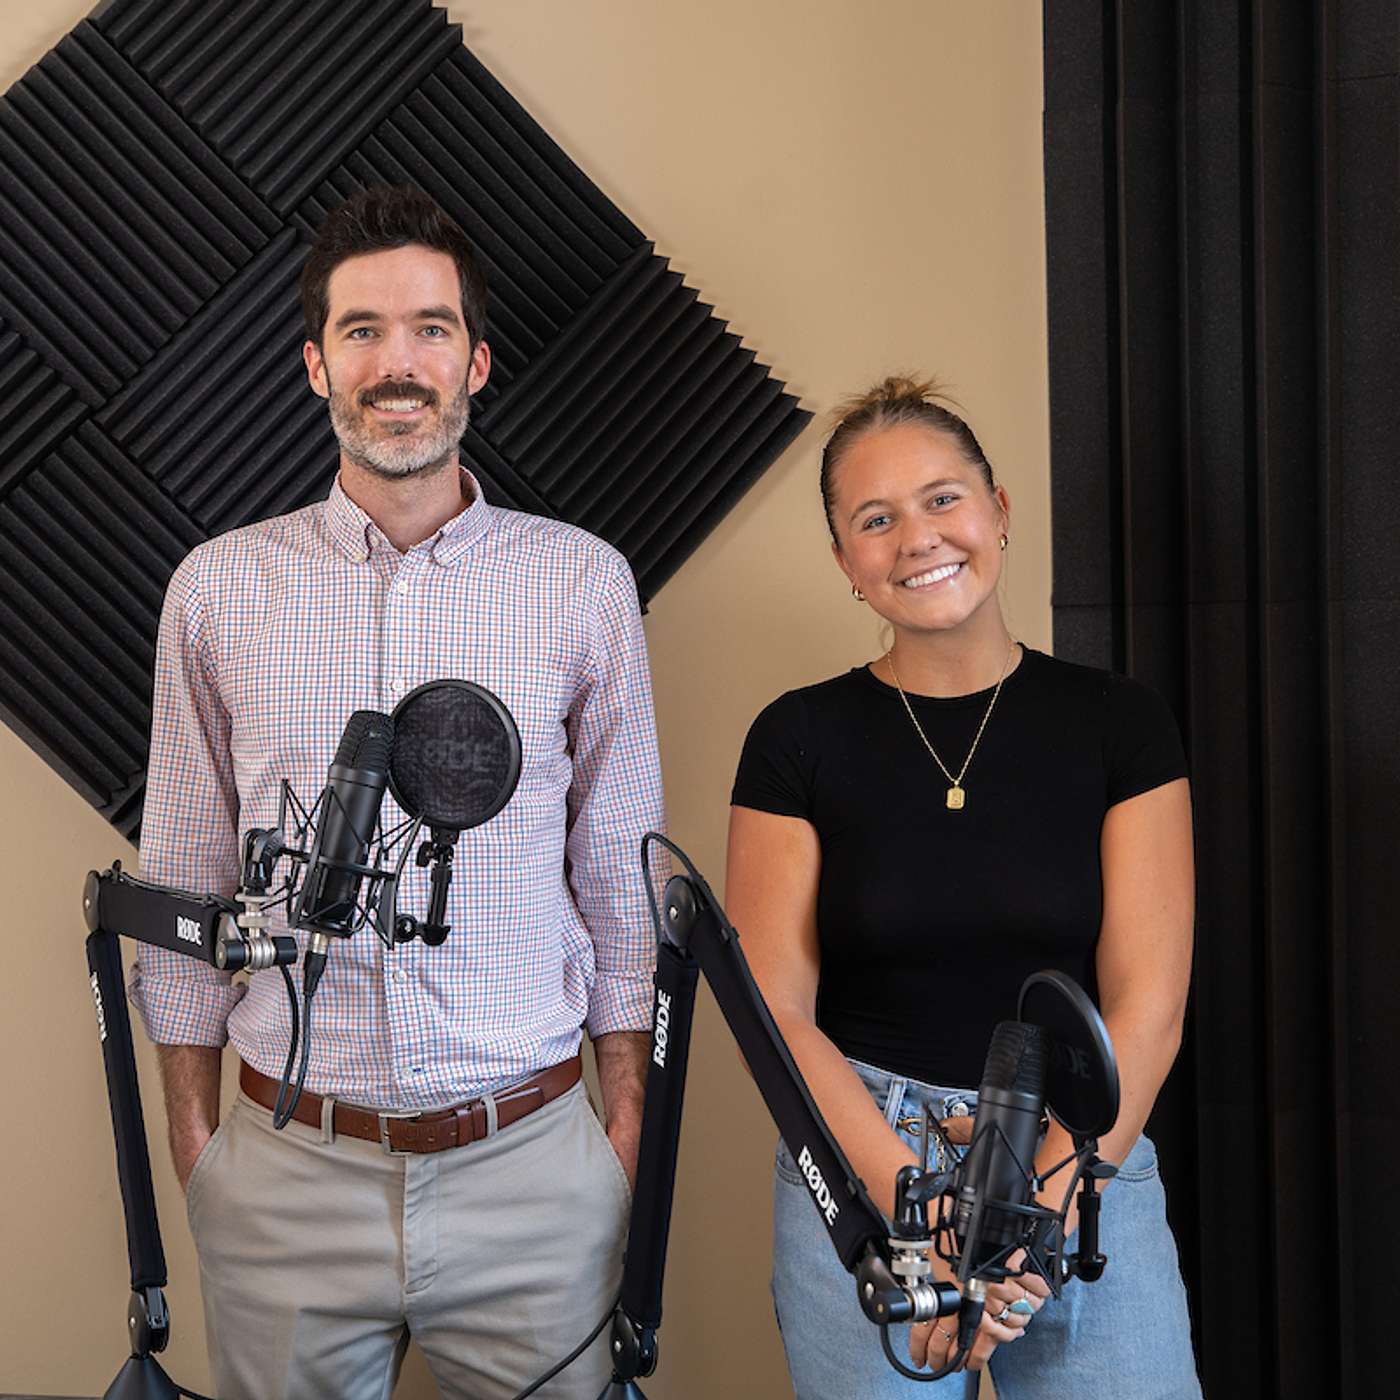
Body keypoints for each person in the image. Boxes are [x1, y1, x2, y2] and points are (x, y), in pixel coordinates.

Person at [130, 185, 665, 1400]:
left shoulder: (581, 583)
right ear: (316, 364)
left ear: (475, 361)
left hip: (532, 1169)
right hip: (284, 1174)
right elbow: (182, 880)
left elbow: (619, 884)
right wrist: (199, 1147)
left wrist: (620, 1133)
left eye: (430, 327)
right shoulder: (218, 589)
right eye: (361, 330)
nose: (397, 363)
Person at [726, 377, 1201, 1399]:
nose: (917, 537)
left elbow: (1148, 1008)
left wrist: (1029, 1220)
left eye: (942, 498)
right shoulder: (795, 739)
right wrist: (915, 1205)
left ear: (998, 510)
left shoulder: (1119, 724)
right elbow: (774, 1009)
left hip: (1080, 1154)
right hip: (863, 1160)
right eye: (875, 519)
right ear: (846, 562)